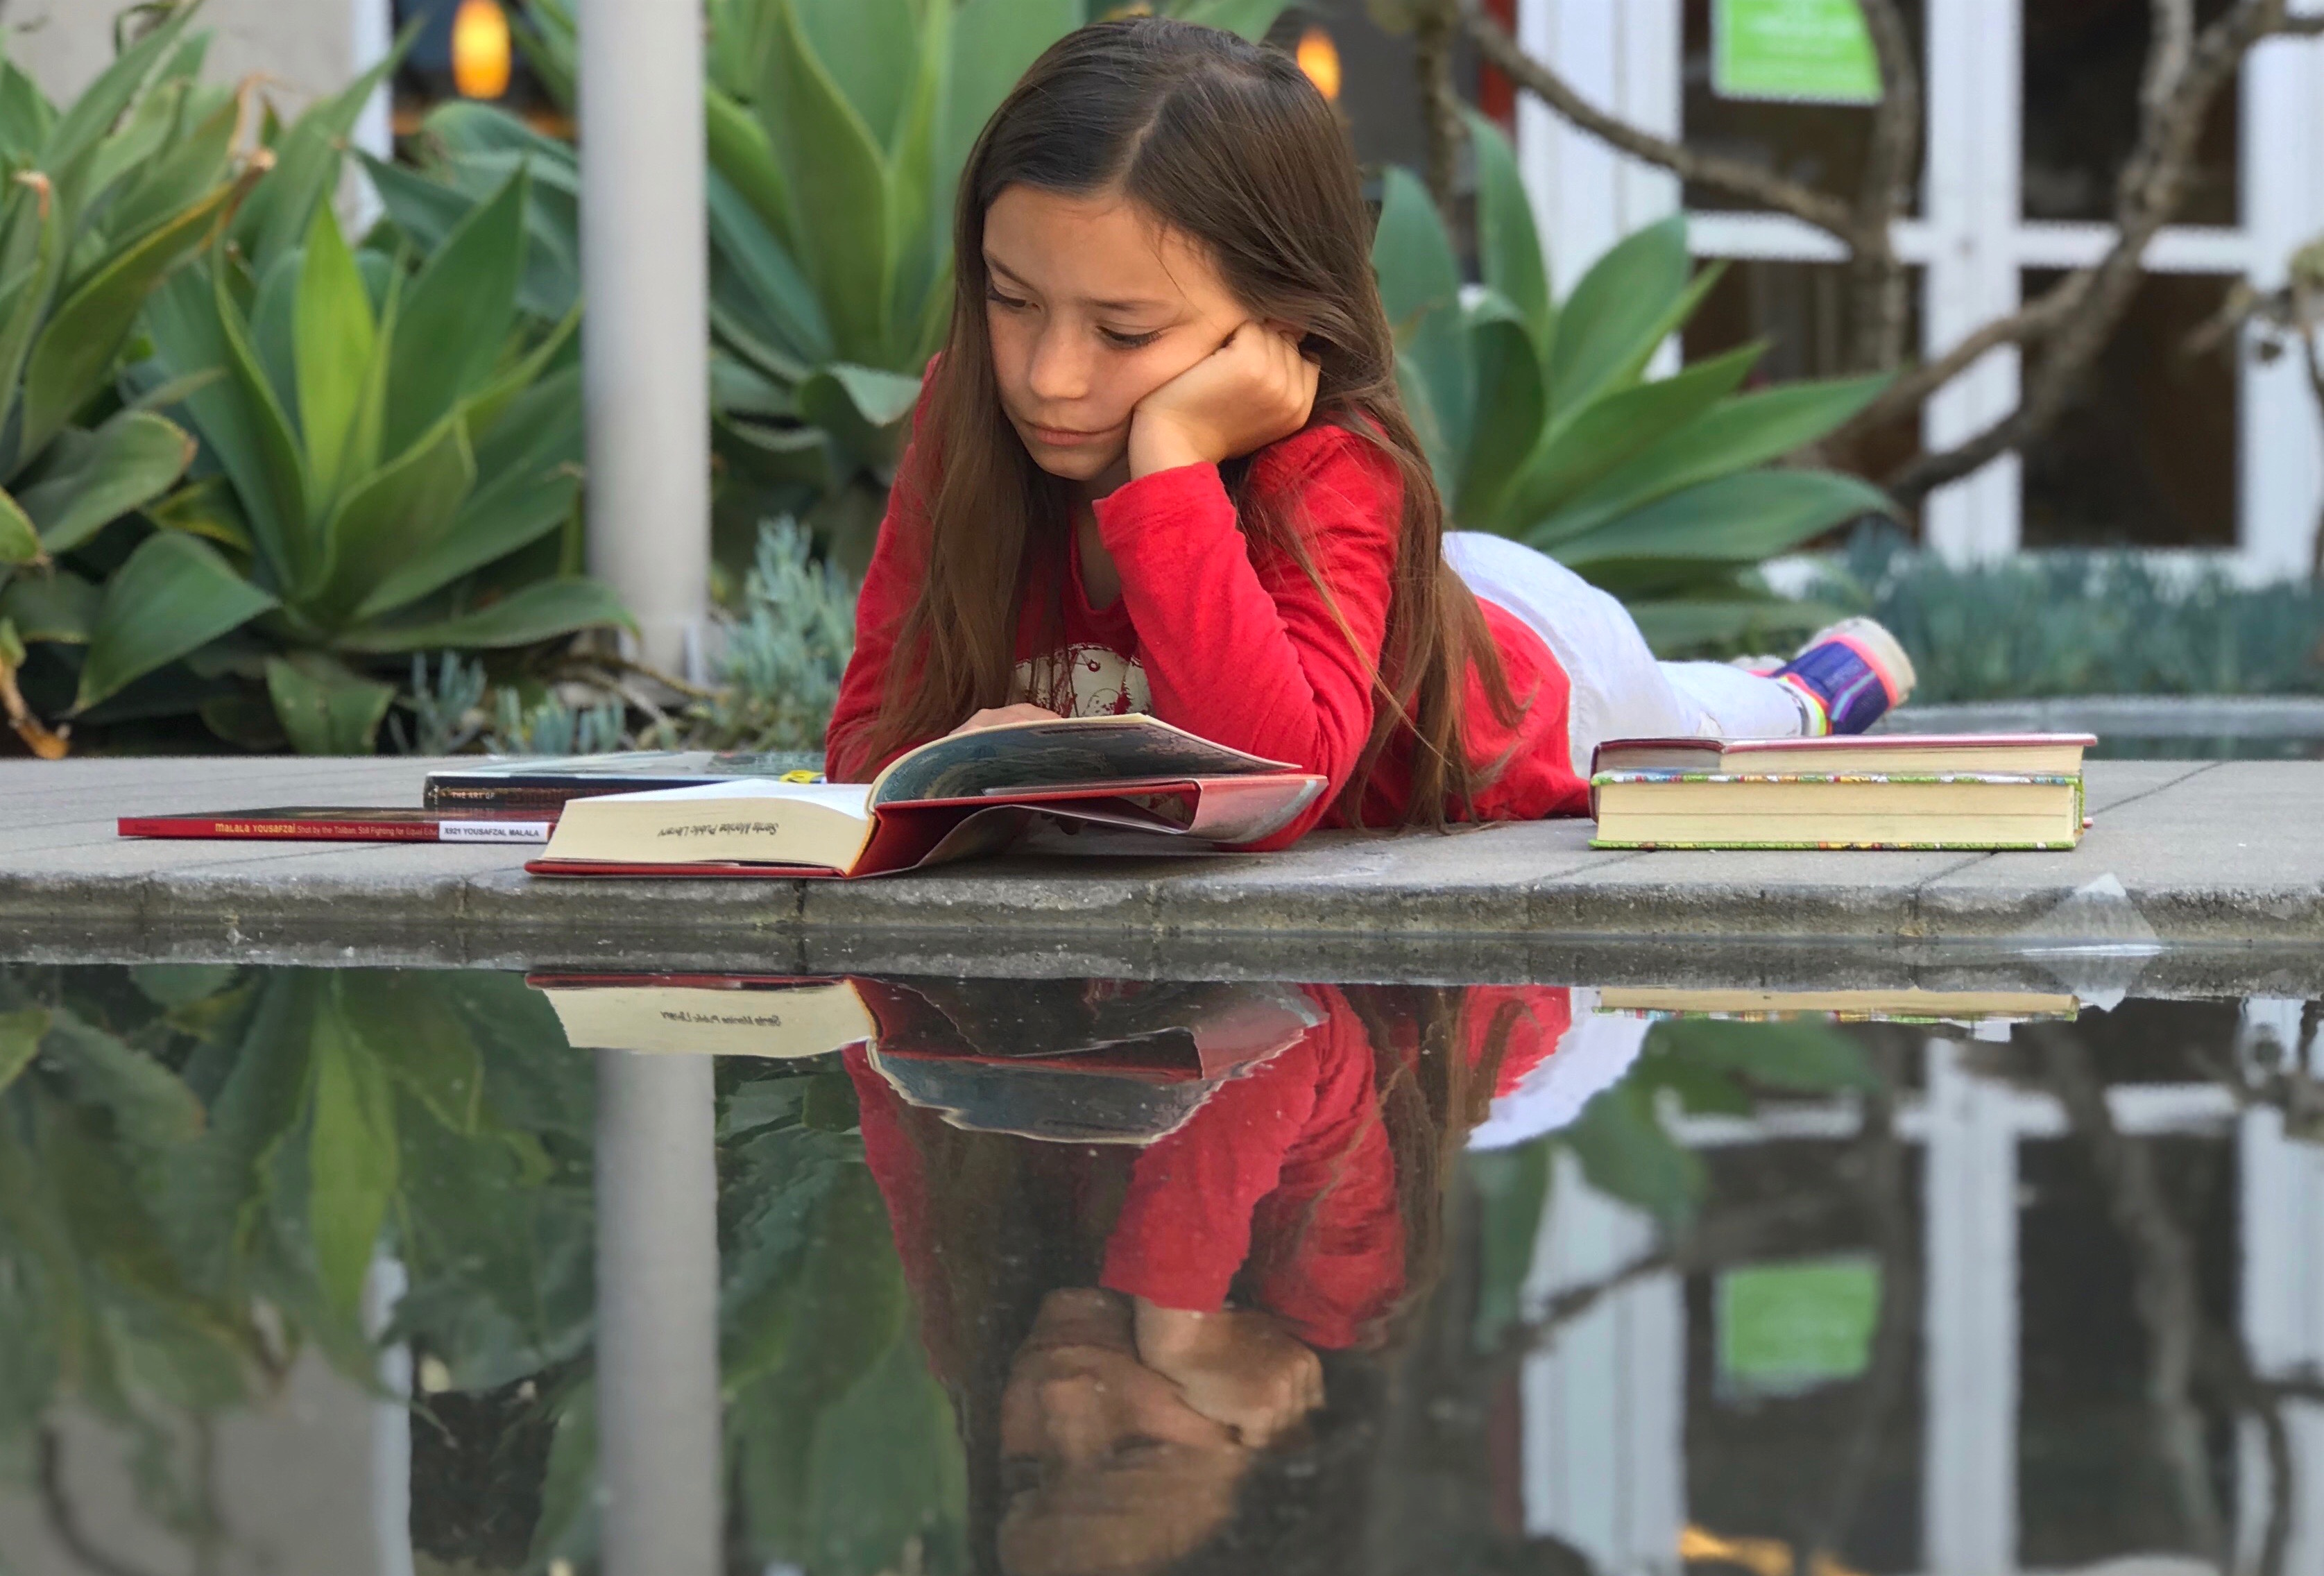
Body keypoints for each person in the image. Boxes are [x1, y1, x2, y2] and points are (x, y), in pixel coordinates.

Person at [824, 17, 1917, 848]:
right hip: (1404, 592)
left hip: (1534, 673)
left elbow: (1275, 789)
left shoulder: (1332, 464)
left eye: (1124, 329)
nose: (1048, 377)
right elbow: (859, 757)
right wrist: (966, 770)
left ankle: (1814, 683)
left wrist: (1167, 464)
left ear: (1278, 324)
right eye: (1012, 301)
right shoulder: (963, 413)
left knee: (1710, 725)